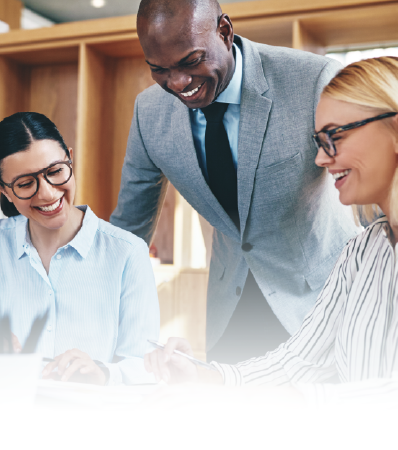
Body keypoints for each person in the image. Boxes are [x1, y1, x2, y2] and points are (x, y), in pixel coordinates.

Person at [110, 0, 358, 363]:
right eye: (159, 69)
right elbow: (129, 230)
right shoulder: (149, 114)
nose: (178, 82)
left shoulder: (312, 80)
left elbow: (370, 188)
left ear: (224, 31)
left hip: (322, 306)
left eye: (191, 60)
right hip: (231, 313)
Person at [144, 57, 398, 403]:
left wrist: (285, 406)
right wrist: (203, 375)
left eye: (334, 136)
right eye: (319, 141)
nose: (321, 159)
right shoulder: (362, 251)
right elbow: (298, 360)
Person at [0, 112, 160, 385]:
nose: (47, 193)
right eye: (25, 183)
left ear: (70, 158)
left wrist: (102, 373)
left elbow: (145, 369)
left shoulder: (128, 252)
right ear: (3, 189)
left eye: (55, 171)